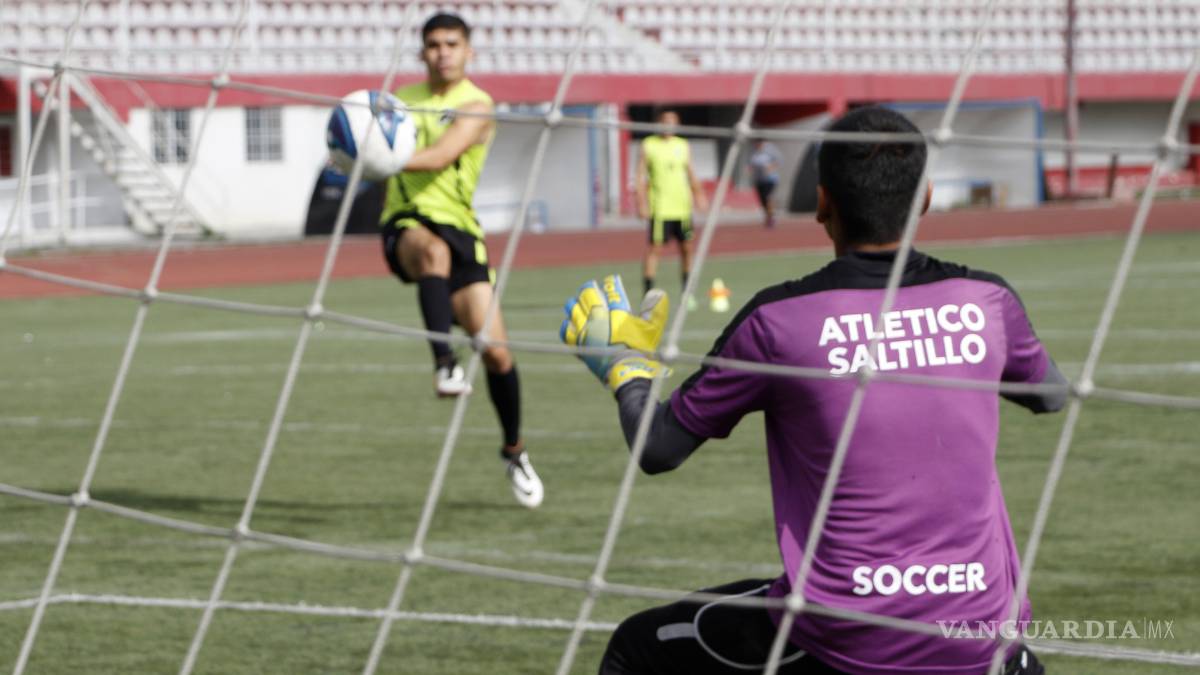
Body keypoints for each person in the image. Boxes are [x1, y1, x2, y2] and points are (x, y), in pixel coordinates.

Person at [562, 106, 1067, 673]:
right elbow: (1050, 395)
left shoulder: (780, 321)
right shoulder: (987, 302)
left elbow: (657, 449)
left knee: (638, 648)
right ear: (924, 197)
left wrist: (626, 367)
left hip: (844, 636)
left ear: (822, 202)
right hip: (981, 635)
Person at [380, 13, 542, 508]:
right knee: (428, 252)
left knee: (497, 353)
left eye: (452, 43)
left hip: (463, 233)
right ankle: (445, 364)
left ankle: (514, 451)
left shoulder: (478, 105)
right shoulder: (396, 102)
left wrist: (371, 153)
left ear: (469, 51)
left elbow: (439, 154)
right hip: (406, 222)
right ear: (421, 51)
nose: (442, 52)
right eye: (433, 44)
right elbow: (358, 131)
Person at [636, 109, 709, 308]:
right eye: (665, 121)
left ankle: (687, 293)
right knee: (655, 249)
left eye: (672, 122)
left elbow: (690, 171)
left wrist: (699, 194)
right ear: (659, 123)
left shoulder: (682, 145)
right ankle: (648, 294)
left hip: (682, 209)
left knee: (687, 248)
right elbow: (640, 175)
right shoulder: (649, 144)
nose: (669, 125)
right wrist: (641, 202)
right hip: (660, 209)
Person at [748, 139, 784, 228]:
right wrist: (750, 169)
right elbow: (751, 163)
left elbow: (779, 160)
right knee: (762, 200)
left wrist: (770, 167)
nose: (757, 145)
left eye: (758, 143)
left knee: (767, 197)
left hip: (770, 179)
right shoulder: (753, 152)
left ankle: (772, 217)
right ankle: (768, 216)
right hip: (759, 180)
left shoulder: (770, 149)